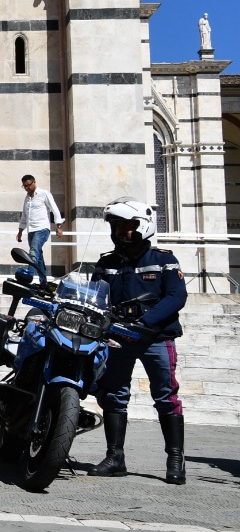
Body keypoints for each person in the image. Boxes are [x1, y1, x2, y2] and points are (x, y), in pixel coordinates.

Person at [89, 197, 189, 485]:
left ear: (143, 226)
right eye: (117, 226)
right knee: (113, 395)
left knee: (166, 396)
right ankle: (115, 458)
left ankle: (175, 459)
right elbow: (96, 296)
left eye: (128, 226)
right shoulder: (106, 263)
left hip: (156, 337)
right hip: (119, 338)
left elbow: (176, 296)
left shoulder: (164, 260)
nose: (121, 232)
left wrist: (146, 323)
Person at [16, 174, 64, 282]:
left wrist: (59, 226)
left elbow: (54, 209)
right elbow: (24, 216)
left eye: (28, 185)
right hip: (31, 230)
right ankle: (44, 282)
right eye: (24, 186)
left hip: (42, 229)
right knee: (39, 257)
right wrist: (20, 231)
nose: (27, 188)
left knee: (33, 252)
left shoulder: (44, 194)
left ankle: (29, 275)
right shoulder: (27, 198)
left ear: (34, 182)